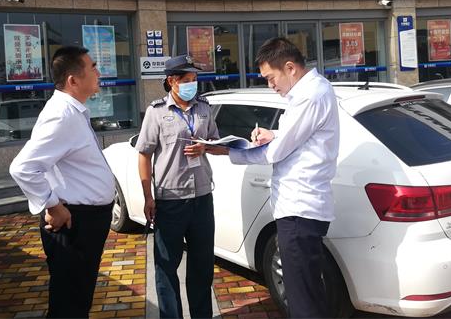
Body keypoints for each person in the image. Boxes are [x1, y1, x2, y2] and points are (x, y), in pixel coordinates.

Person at [216, 37, 339, 318]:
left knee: (302, 299)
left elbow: (275, 153)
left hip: (299, 208)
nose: (270, 85)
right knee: (309, 291)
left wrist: (228, 151)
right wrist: (274, 134)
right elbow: (300, 138)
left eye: (271, 78)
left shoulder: (309, 96)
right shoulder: (315, 90)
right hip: (303, 207)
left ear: (290, 67)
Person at [9, 46, 115, 318]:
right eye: (93, 67)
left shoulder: (72, 111)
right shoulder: (62, 115)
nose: (99, 73)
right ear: (73, 80)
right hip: (75, 223)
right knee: (70, 303)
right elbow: (23, 168)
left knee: (77, 297)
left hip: (85, 221)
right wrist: (53, 205)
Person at [135, 55, 223, 319]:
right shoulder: (156, 112)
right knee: (166, 268)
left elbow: (218, 144)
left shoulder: (204, 108)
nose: (192, 84)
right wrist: (148, 197)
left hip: (202, 198)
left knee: (202, 266)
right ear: (172, 81)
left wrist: (205, 147)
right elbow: (144, 154)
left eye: (194, 79)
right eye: (187, 80)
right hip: (170, 200)